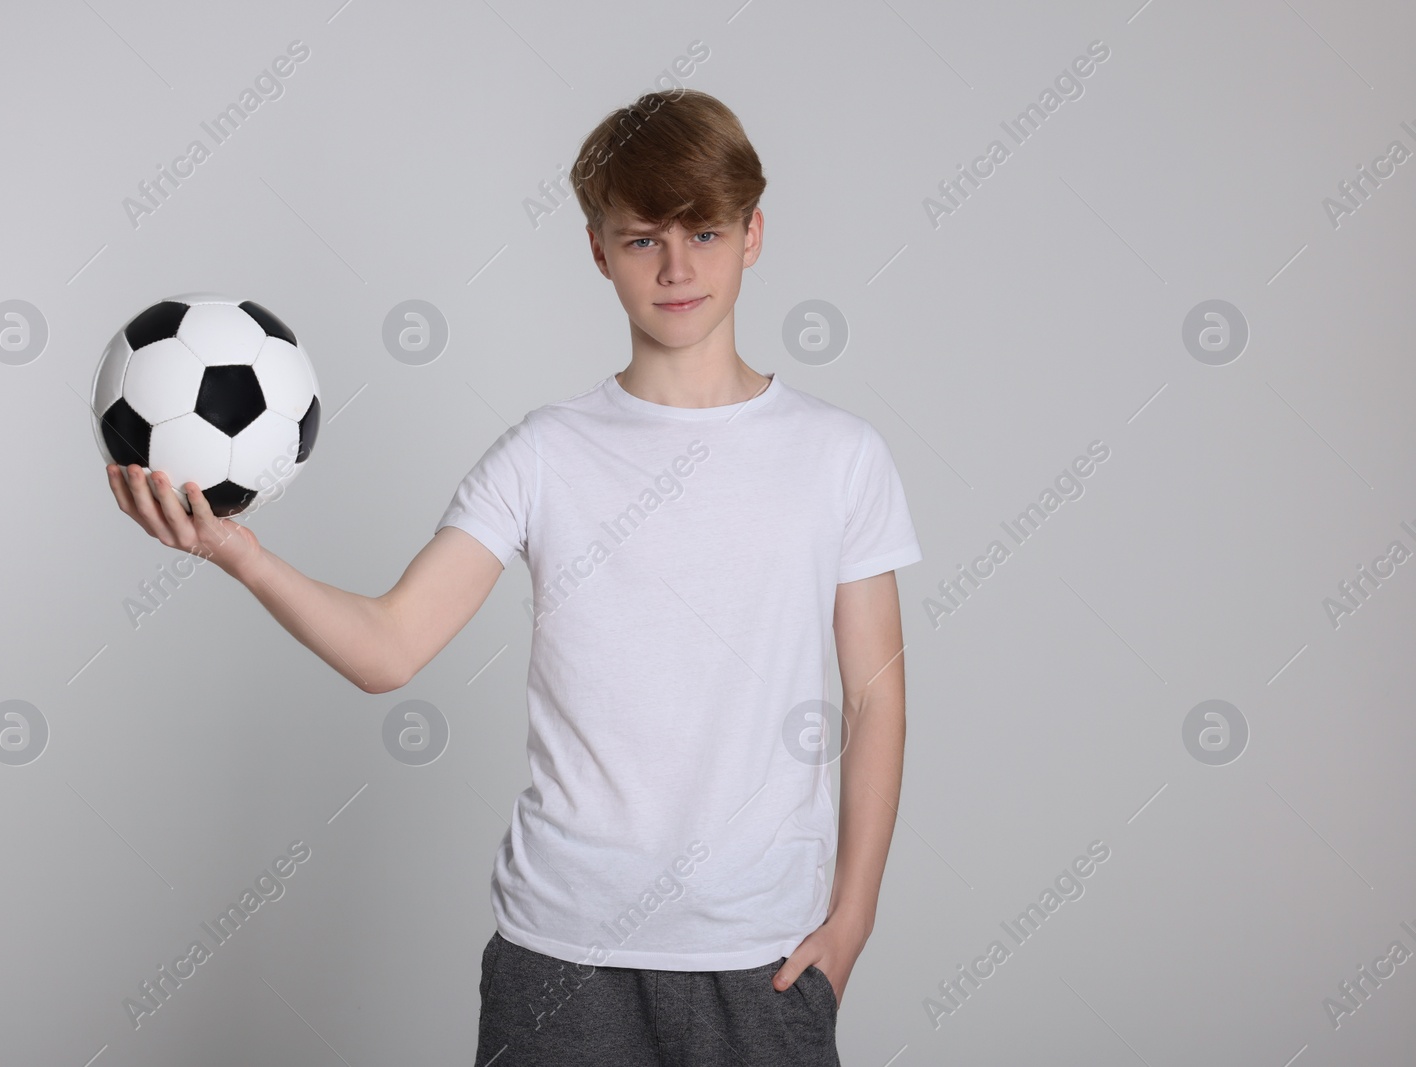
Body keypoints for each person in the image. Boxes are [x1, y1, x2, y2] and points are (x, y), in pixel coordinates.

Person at [106, 87, 920, 1067]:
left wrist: (854, 914)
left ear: (752, 235)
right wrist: (240, 554)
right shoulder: (543, 454)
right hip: (560, 956)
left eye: (703, 231)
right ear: (595, 248)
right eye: (640, 238)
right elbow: (389, 647)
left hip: (765, 952)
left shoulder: (838, 455)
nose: (675, 267)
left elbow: (876, 695)